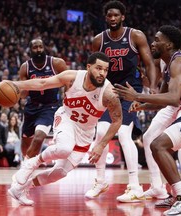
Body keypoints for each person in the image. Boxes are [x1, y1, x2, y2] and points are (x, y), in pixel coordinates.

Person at [114, 25, 181, 215]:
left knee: (158, 145)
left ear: (169, 44)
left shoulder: (178, 62)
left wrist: (138, 96)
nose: (152, 44)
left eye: (156, 40)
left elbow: (172, 98)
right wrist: (142, 105)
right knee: (161, 148)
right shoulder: (168, 67)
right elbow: (163, 102)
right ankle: (179, 194)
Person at [8, 52, 122, 206]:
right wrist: (17, 84)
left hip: (86, 133)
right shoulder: (72, 77)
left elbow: (117, 120)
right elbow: (43, 83)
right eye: (98, 68)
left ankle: (21, 188)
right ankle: (30, 163)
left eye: (105, 70)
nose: (102, 73)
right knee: (64, 148)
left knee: (59, 173)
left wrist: (101, 145)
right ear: (88, 67)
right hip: (66, 119)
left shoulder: (109, 93)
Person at [85, 0, 157, 202]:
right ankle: (100, 182)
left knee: (124, 134)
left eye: (117, 15)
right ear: (105, 17)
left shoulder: (135, 35)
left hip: (129, 91)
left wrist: (150, 86)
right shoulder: (99, 40)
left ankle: (134, 185)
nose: (113, 18)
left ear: (123, 17)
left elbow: (149, 62)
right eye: (110, 15)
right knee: (100, 132)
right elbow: (92, 68)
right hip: (107, 91)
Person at [142, 59, 181, 207]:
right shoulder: (163, 62)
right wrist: (150, 87)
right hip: (173, 104)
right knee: (148, 137)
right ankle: (157, 187)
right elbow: (164, 94)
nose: (153, 45)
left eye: (157, 41)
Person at [18, 38, 67, 161]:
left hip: (49, 106)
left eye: (40, 47)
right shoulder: (25, 67)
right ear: (30, 50)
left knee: (39, 137)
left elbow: (69, 80)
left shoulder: (56, 63)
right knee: (26, 139)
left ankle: (27, 166)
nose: (38, 50)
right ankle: (27, 161)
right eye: (35, 47)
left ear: (44, 48)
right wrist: (15, 91)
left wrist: (67, 95)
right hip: (32, 106)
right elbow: (24, 94)